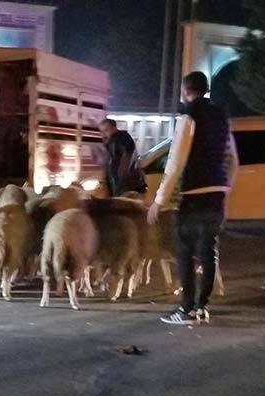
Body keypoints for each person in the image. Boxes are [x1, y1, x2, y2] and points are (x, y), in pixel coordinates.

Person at [149, 71, 238, 325]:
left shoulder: (188, 117)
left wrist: (159, 200)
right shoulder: (222, 117)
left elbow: (175, 162)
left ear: (186, 90)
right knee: (209, 252)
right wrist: (224, 185)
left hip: (194, 196)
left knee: (185, 251)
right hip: (216, 195)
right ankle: (202, 307)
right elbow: (232, 159)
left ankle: (186, 308)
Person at [100, 119, 144, 196]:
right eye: (102, 131)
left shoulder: (123, 139)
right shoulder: (111, 142)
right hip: (115, 181)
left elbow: (127, 158)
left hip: (123, 183)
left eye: (106, 130)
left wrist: (121, 178)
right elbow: (108, 162)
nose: (103, 134)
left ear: (114, 128)